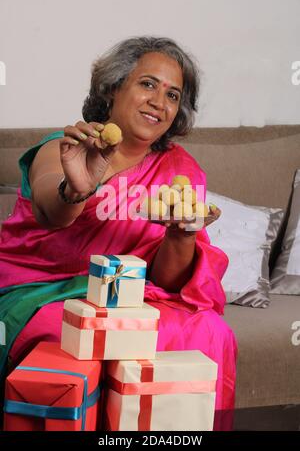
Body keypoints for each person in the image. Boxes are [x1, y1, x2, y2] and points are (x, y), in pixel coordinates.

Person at [0, 36, 237, 431]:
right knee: (66, 335)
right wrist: (76, 188)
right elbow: (50, 210)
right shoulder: (67, 148)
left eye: (173, 95)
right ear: (113, 88)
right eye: (147, 84)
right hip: (48, 288)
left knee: (210, 331)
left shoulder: (180, 170)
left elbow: (167, 280)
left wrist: (182, 234)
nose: (159, 103)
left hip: (133, 295)